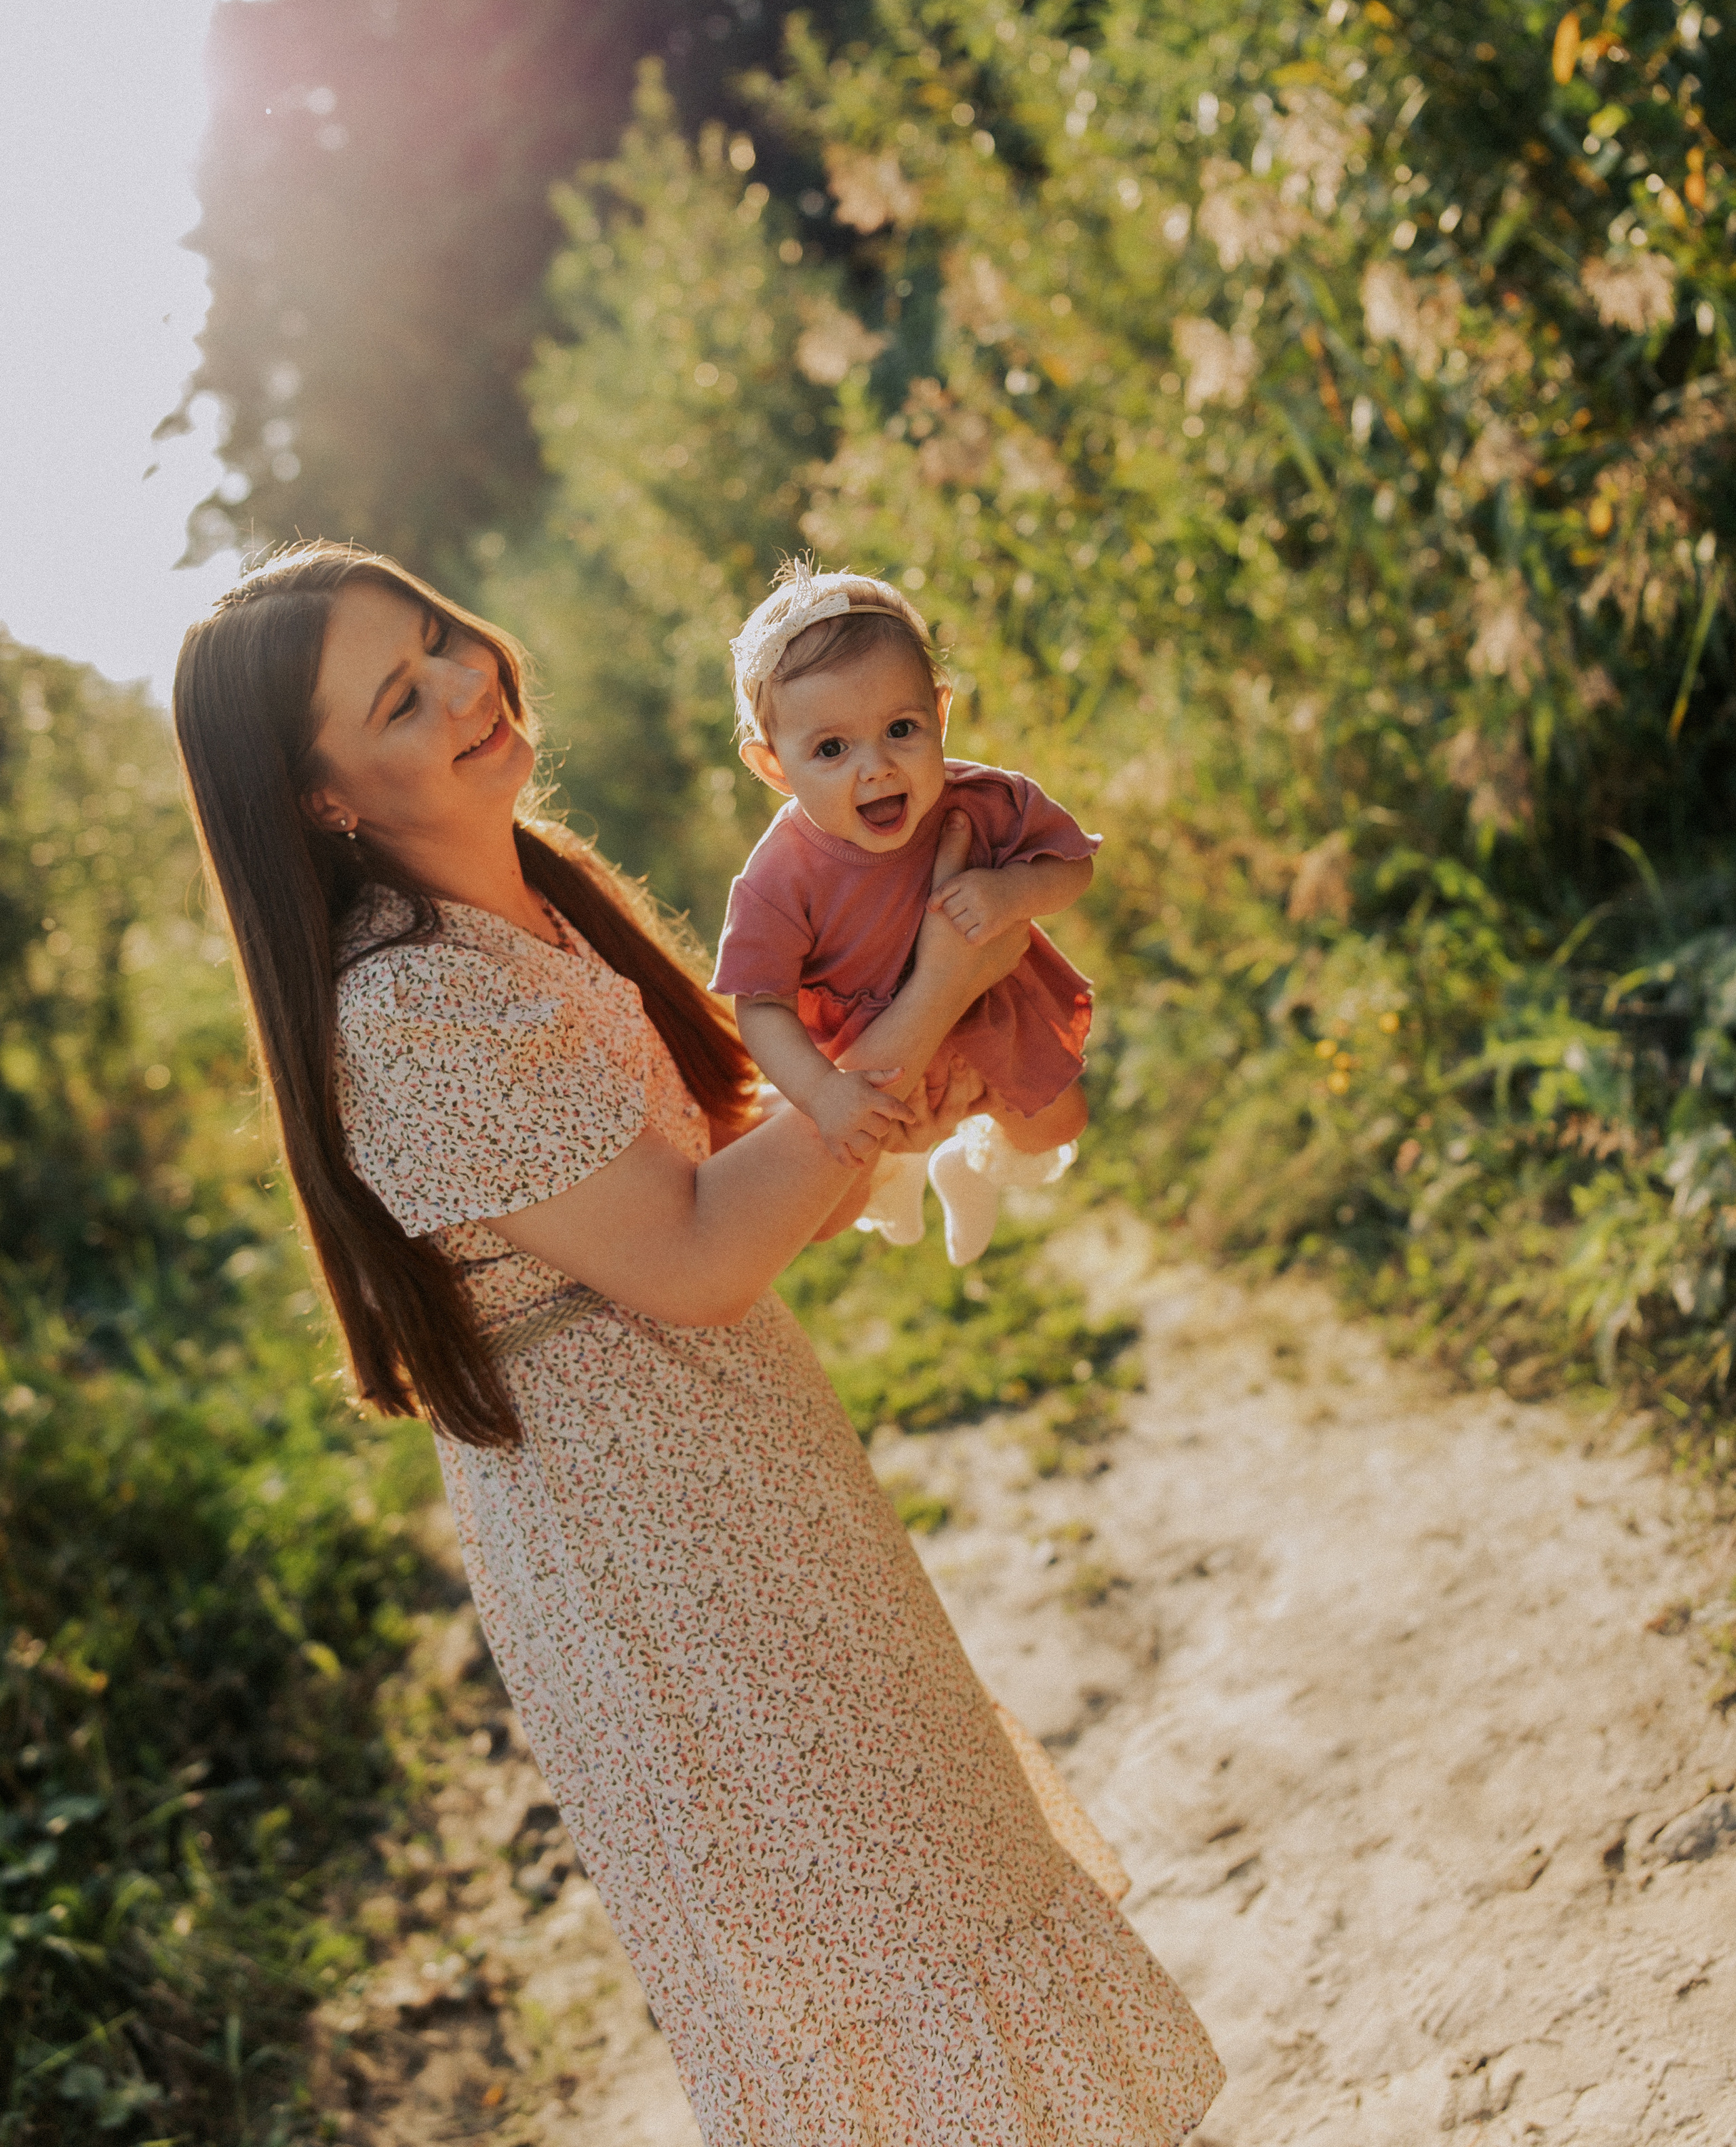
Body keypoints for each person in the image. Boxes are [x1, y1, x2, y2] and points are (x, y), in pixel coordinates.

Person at [172, 541, 1223, 2146]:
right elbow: (694, 1254)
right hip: (645, 1546)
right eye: (398, 698)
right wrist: (934, 988)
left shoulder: (528, 898)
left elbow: (732, 1169)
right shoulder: (400, 1009)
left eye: (440, 634)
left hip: (743, 1461)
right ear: (320, 799)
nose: (464, 681)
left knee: (932, 1871)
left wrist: (913, 1081)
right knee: (867, 1947)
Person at [714, 562, 1098, 1266]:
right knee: (844, 1182)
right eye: (831, 749)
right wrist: (822, 1092)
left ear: (939, 714)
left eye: (900, 728)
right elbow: (759, 1003)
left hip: (990, 1011)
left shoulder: (980, 799)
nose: (877, 768)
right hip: (878, 1051)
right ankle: (897, 1184)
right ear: (774, 768)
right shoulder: (780, 877)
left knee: (1059, 1123)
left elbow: (1072, 864)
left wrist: (1013, 894)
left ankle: (967, 1167)